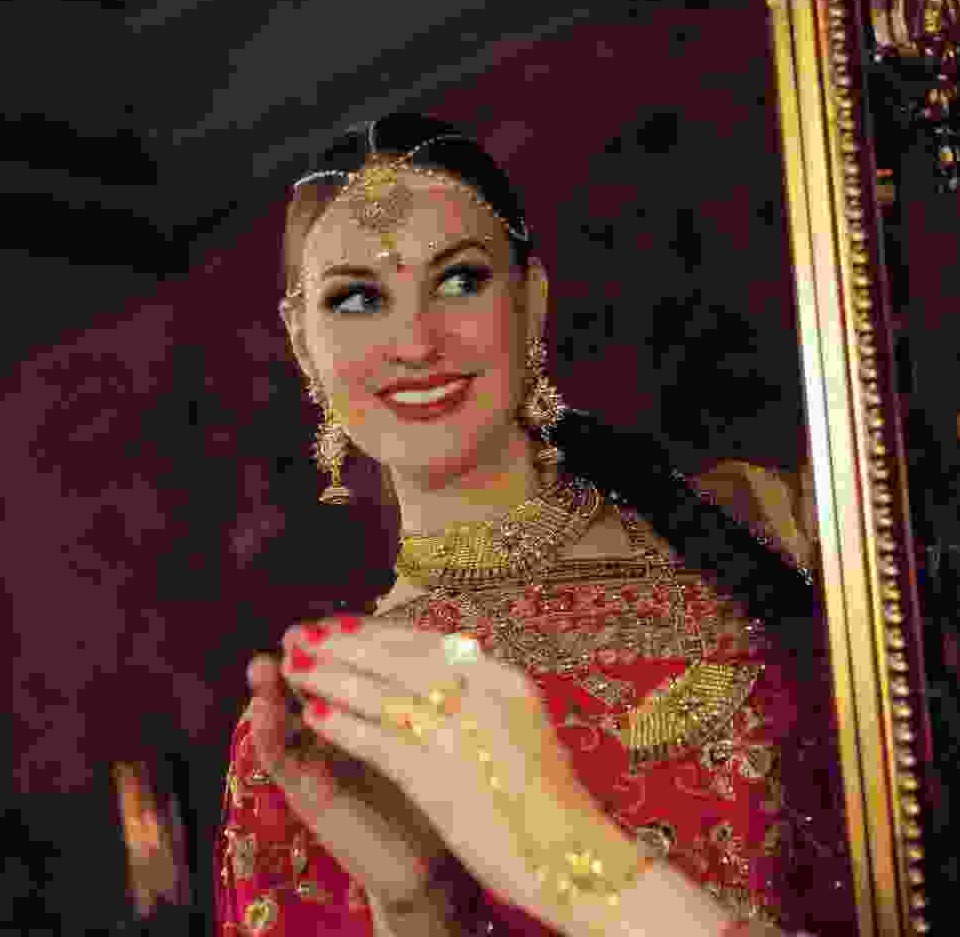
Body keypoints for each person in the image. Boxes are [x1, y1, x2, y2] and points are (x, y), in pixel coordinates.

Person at [215, 113, 851, 937]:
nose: (415, 343)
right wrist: (414, 902)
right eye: (358, 299)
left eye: (459, 281)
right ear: (303, 343)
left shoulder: (763, 523)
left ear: (531, 299)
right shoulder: (331, 721)